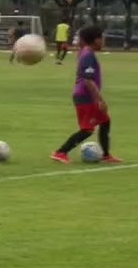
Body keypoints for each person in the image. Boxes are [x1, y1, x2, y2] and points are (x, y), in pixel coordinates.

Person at [52, 25, 122, 164]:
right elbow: (88, 80)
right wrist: (100, 100)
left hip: (87, 96)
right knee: (87, 129)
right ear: (95, 40)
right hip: (85, 97)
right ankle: (60, 152)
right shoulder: (88, 54)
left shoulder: (86, 51)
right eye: (102, 38)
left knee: (105, 121)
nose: (103, 41)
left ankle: (106, 155)